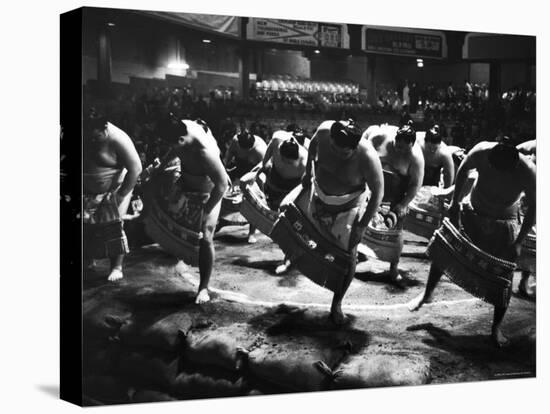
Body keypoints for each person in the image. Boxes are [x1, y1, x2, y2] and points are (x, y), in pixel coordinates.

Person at [409, 139, 536, 347]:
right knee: (445, 247)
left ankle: (496, 328)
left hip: (504, 222)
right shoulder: (481, 151)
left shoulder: (528, 172)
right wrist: (455, 202)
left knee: (503, 274)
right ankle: (427, 294)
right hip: (473, 209)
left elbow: (534, 209)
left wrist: (520, 241)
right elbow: (464, 171)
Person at [296, 119, 384, 324]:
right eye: (335, 148)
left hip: (349, 207)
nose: (338, 154)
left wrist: (361, 226)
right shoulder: (324, 132)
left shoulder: (368, 157)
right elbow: (313, 146)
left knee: (349, 253)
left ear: (354, 147)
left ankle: (337, 303)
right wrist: (308, 171)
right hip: (318, 195)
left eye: (345, 152)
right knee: (301, 226)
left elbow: (378, 193)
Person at [156, 118, 230, 304]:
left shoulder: (205, 152)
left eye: (172, 144)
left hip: (210, 189)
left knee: (206, 236)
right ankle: (180, 250)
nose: (171, 148)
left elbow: (222, 186)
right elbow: (172, 149)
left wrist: (205, 211)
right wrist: (162, 165)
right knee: (158, 194)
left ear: (181, 140)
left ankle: (203, 287)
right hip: (186, 180)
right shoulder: (178, 126)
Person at [83, 108, 143, 282]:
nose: (92, 140)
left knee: (114, 226)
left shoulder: (119, 138)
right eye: (88, 136)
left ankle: (116, 266)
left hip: (115, 188)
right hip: (87, 191)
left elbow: (136, 168)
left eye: (96, 137)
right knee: (85, 226)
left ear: (104, 129)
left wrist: (122, 194)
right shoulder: (84, 133)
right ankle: (88, 258)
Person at [366, 122, 425, 284]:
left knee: (396, 230)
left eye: (404, 148)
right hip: (373, 186)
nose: (399, 150)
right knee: (358, 219)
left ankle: (393, 268)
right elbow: (362, 154)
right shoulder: (379, 138)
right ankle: (356, 254)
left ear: (412, 145)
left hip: (397, 193)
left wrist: (404, 204)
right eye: (397, 146)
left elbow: (415, 184)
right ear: (394, 140)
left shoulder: (416, 158)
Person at [258, 130, 308, 274]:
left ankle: (289, 258)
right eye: (283, 158)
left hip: (295, 186)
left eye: (288, 161)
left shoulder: (306, 161)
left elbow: (307, 187)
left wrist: (292, 200)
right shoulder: (277, 139)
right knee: (273, 213)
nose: (285, 162)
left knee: (290, 221)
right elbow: (265, 160)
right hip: (274, 180)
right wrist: (262, 169)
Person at [223, 129, 267, 243]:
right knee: (226, 194)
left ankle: (252, 232)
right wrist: (225, 168)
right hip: (239, 166)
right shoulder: (235, 141)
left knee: (253, 201)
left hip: (255, 172)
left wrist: (255, 182)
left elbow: (265, 169)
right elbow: (229, 154)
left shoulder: (261, 149)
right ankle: (221, 222)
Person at [516, 139, 537, 298]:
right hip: (528, 193)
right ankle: (524, 280)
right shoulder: (532, 145)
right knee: (529, 240)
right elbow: (515, 151)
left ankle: (527, 280)